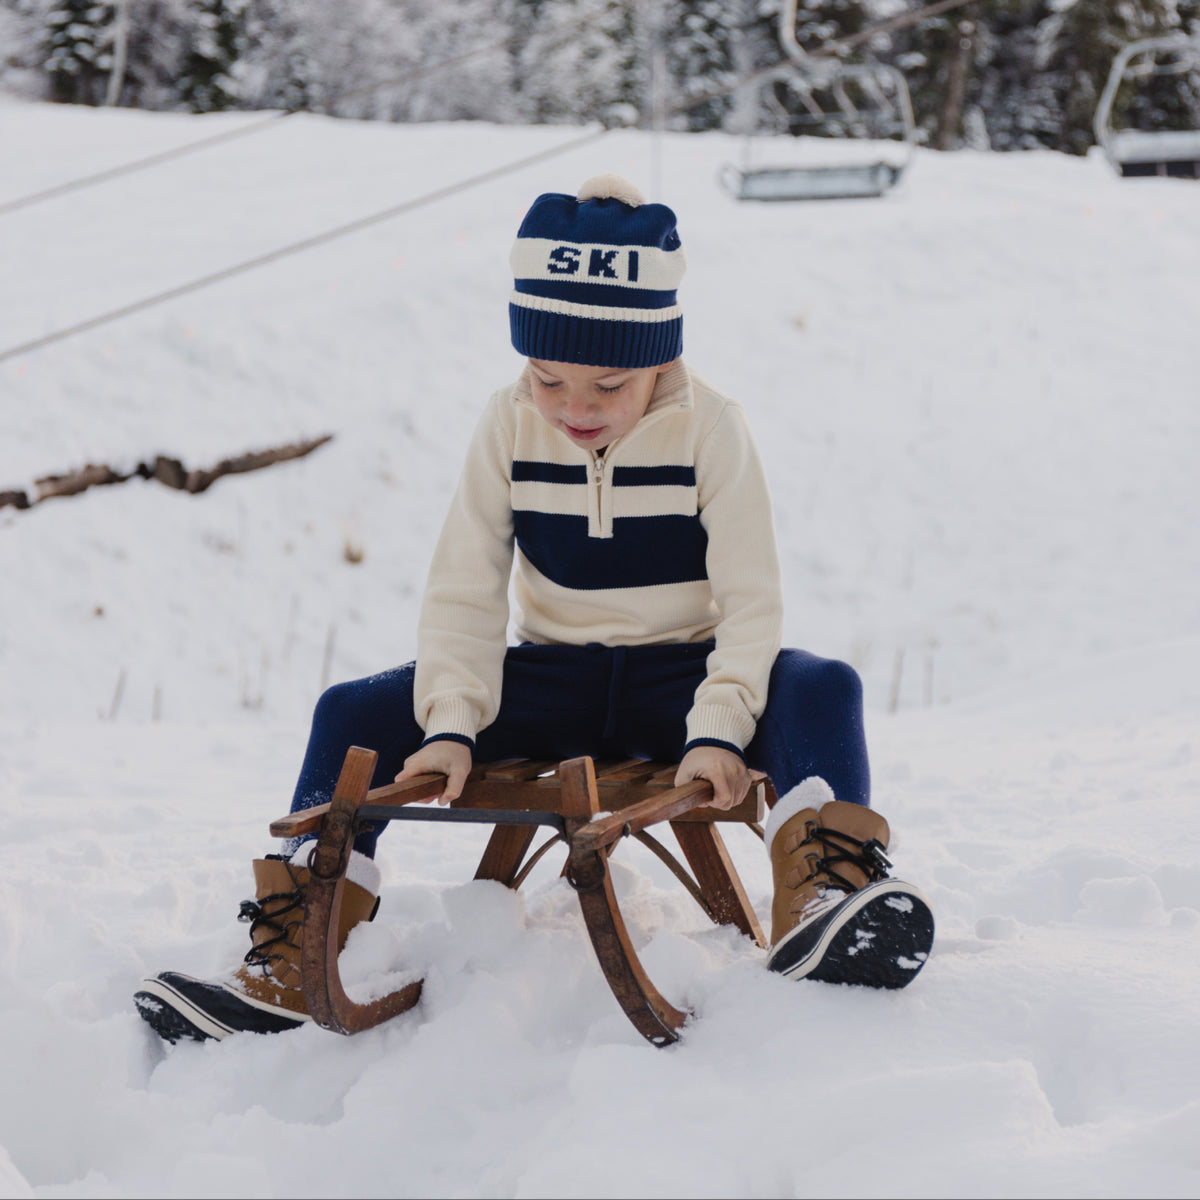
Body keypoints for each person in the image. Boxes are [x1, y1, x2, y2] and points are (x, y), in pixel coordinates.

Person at [135, 173, 933, 1044]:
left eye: (606, 386)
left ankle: (829, 901)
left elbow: (752, 601)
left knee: (824, 686)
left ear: (659, 357)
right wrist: (450, 720)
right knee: (351, 710)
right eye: (549, 379)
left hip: (684, 680)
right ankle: (291, 956)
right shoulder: (508, 425)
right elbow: (465, 586)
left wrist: (718, 727)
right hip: (552, 680)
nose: (573, 409)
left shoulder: (713, 429)